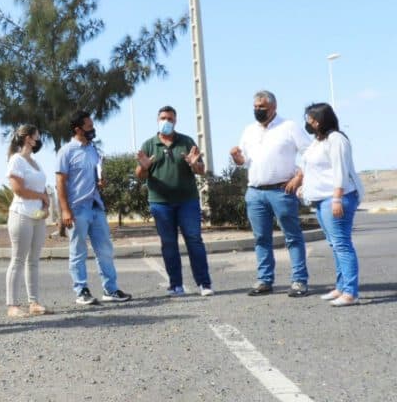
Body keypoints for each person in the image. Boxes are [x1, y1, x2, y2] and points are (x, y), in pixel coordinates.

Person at [230, 90, 311, 297]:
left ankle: (299, 281)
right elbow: (244, 161)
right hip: (255, 193)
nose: (257, 110)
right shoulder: (249, 130)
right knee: (261, 238)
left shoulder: (289, 127)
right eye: (255, 107)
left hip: (281, 191)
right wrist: (237, 158)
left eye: (262, 107)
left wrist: (299, 178)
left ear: (273, 107)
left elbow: (309, 154)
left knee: (292, 237)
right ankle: (265, 280)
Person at [135, 106, 214, 297]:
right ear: (157, 120)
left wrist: (195, 164)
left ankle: (204, 283)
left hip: (187, 201)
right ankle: (175, 285)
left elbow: (201, 170)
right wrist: (144, 167)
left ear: (175, 121)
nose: (166, 121)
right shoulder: (149, 145)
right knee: (168, 243)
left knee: (194, 240)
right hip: (160, 203)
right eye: (163, 118)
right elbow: (139, 175)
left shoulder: (186, 142)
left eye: (169, 119)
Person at [56, 110, 132, 305]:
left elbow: (96, 175)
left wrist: (101, 181)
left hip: (96, 207)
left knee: (105, 249)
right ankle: (81, 291)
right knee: (78, 250)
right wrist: (65, 210)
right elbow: (60, 183)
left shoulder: (94, 150)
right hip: (77, 208)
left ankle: (111, 289)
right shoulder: (66, 151)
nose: (93, 130)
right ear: (77, 129)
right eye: (89, 127)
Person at [300, 102, 364, 307]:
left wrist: (337, 198)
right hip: (320, 200)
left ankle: (351, 292)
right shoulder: (317, 142)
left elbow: (340, 171)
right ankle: (341, 286)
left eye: (311, 119)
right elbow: (312, 169)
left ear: (320, 121)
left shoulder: (336, 140)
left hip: (336, 198)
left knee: (342, 244)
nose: (308, 123)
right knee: (334, 245)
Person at [5, 124, 51, 318]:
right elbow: (18, 189)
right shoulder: (16, 160)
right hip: (21, 215)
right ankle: (12, 306)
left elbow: (42, 187)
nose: (39, 140)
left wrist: (46, 204)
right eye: (37, 136)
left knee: (33, 261)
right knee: (18, 260)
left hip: (37, 217)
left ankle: (34, 302)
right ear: (27, 139)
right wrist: (41, 197)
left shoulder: (35, 162)